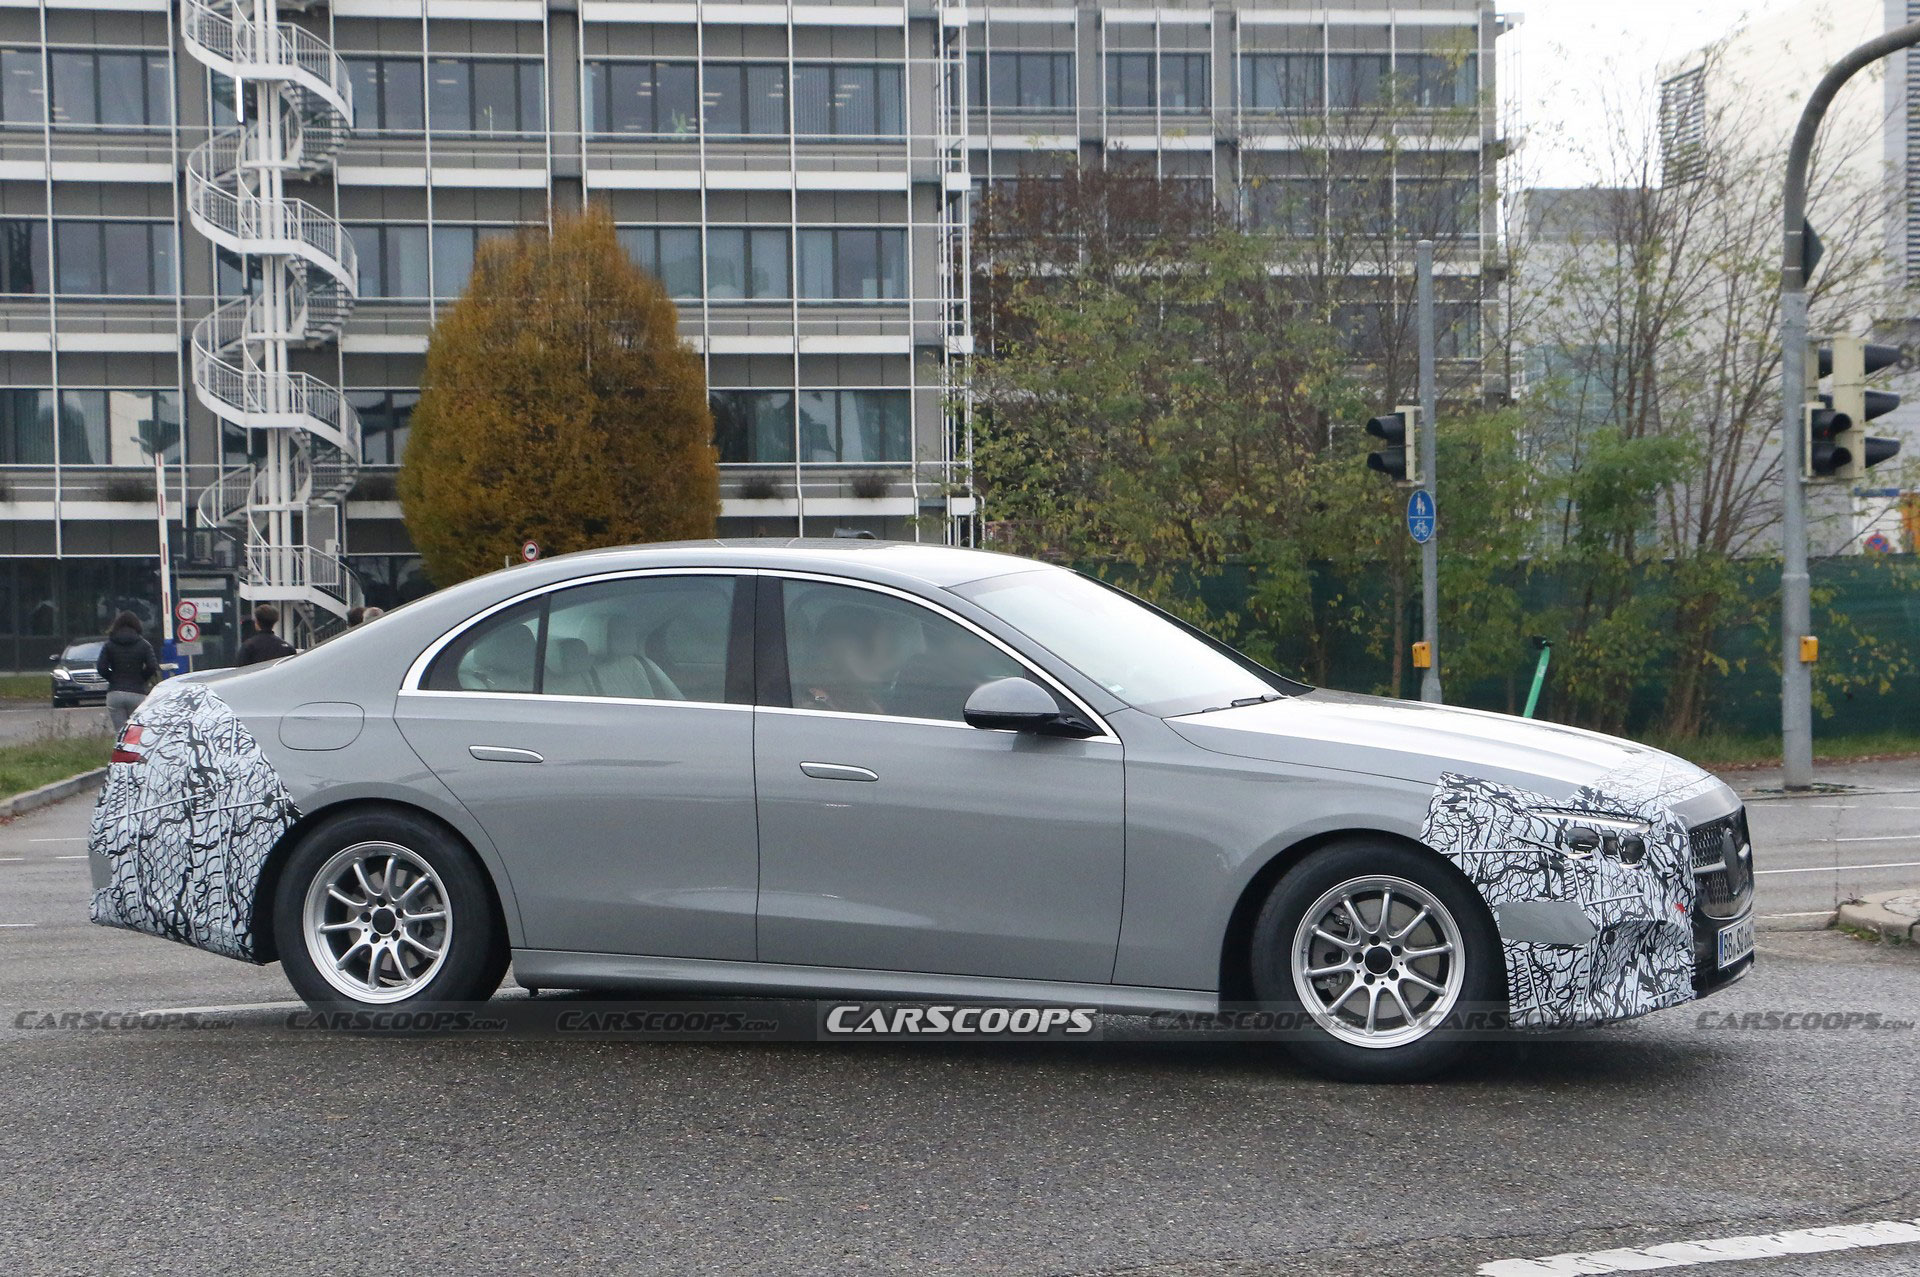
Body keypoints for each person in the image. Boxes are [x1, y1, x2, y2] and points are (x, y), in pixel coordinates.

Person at [96, 610, 161, 734]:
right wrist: (142, 678)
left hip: (115, 692)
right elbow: (152, 666)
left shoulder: (109, 645)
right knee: (137, 733)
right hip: (137, 692)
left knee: (120, 733)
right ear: (137, 626)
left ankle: (121, 752)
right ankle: (137, 753)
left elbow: (101, 668)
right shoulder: (144, 645)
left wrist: (113, 678)